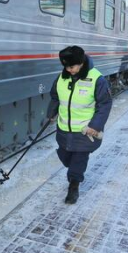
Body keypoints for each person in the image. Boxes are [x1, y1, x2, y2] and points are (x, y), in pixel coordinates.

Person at [47, 46, 112, 204]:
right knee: (65, 156)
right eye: (66, 67)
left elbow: (105, 104)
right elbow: (55, 96)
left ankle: (73, 186)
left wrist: (95, 126)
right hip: (64, 129)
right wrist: (51, 113)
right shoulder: (62, 77)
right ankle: (74, 173)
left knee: (78, 161)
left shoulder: (97, 79)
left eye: (72, 67)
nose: (69, 70)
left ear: (81, 63)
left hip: (85, 131)